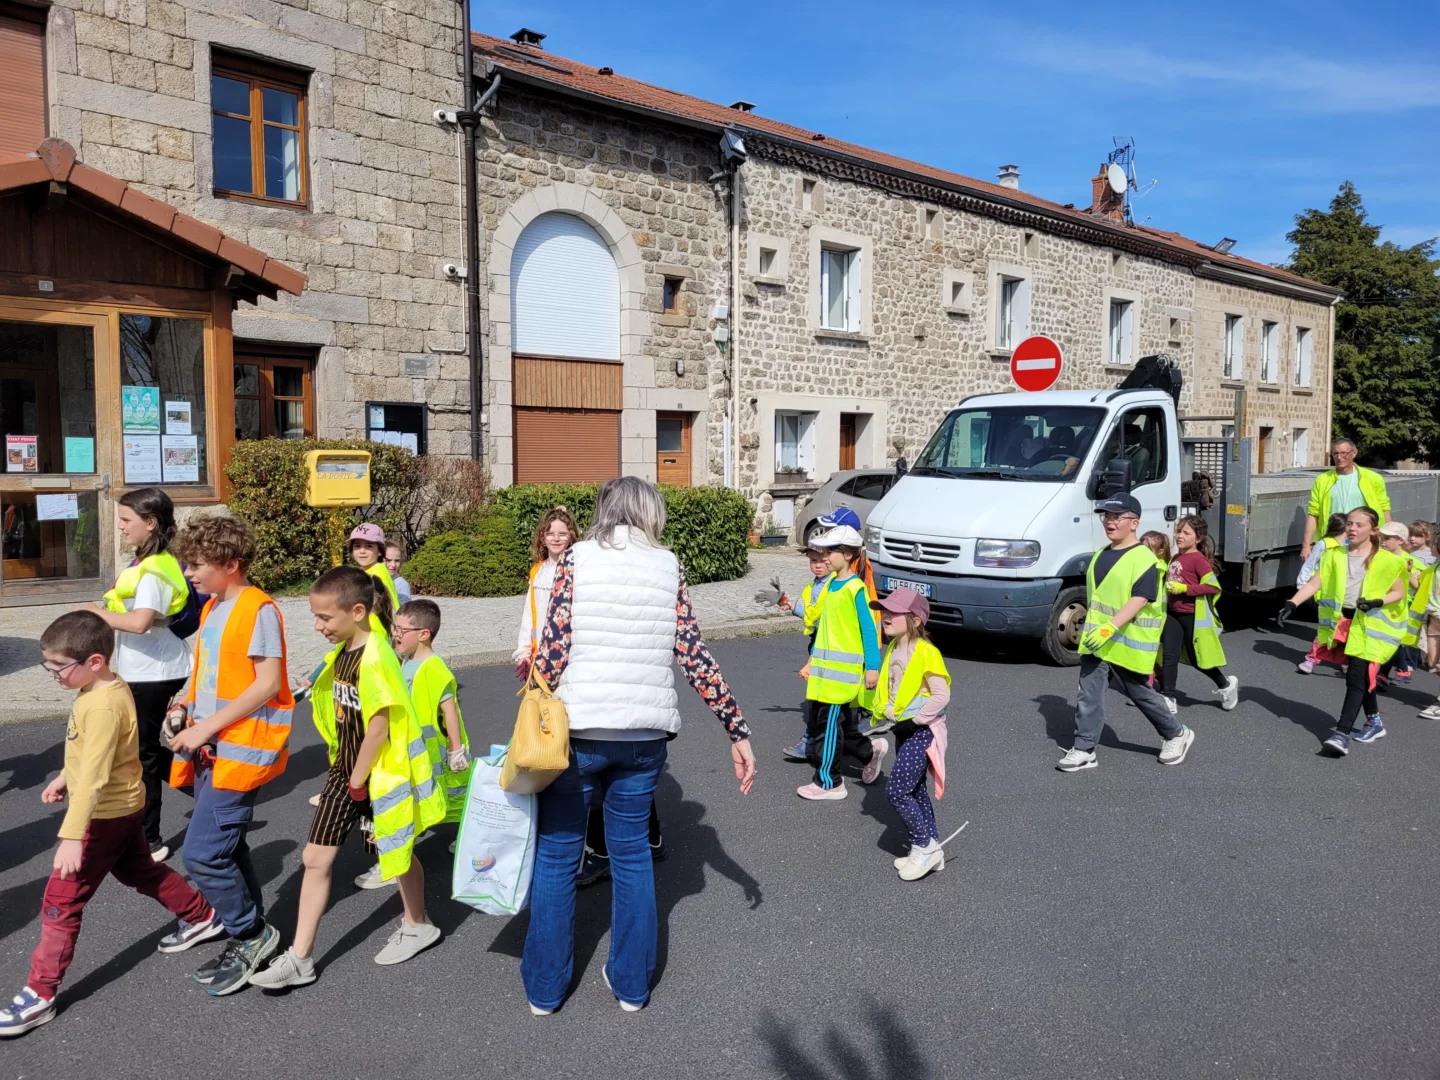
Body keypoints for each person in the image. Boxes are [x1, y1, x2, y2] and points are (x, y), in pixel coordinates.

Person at [523, 477, 755, 1015]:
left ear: (604, 510)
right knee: (631, 857)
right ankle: (631, 985)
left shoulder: (576, 559)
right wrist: (736, 729)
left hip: (577, 732)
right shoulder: (667, 565)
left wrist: (532, 698)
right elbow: (693, 654)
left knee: (557, 856)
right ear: (651, 513)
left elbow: (554, 645)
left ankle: (546, 990)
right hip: (645, 738)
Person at [0, 612, 213, 1038]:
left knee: (60, 903)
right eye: (48, 667)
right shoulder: (107, 689)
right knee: (141, 870)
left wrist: (72, 836)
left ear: (95, 661)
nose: (52, 676)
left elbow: (96, 774)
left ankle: (40, 995)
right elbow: (97, 754)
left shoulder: (99, 703)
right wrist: (65, 775)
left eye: (58, 667)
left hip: (103, 815)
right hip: (123, 806)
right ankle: (202, 915)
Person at [250, 567, 446, 989]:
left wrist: (356, 782)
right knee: (315, 859)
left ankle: (418, 924)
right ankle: (300, 958)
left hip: (376, 776)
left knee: (397, 853)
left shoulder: (374, 656)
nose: (318, 627)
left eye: (325, 618)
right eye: (316, 617)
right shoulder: (347, 646)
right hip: (349, 772)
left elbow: (378, 727)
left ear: (357, 611)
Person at [161, 514, 292, 995]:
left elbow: (268, 684)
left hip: (237, 752)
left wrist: (206, 729)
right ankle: (250, 935)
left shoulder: (258, 610)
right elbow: (210, 675)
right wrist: (181, 706)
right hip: (214, 748)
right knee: (226, 847)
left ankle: (253, 934)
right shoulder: (215, 606)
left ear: (231, 563)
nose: (189, 574)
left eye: (196, 565)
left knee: (201, 854)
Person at [90, 487, 193, 862]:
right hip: (145, 668)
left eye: (125, 520)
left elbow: (140, 622)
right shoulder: (144, 563)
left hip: (156, 671)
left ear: (150, 523)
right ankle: (206, 790)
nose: (120, 527)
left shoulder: (153, 570)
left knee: (142, 754)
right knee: (143, 748)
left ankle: (150, 840)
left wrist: (96, 615)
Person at [1057, 494, 1195, 773]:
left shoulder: (1144, 558)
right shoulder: (1101, 555)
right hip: (1097, 641)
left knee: (1140, 693)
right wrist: (1098, 629)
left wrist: (1110, 627)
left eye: (1116, 517)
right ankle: (1084, 749)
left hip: (1124, 641)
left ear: (1134, 523)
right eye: (1106, 516)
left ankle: (1177, 734)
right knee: (1089, 693)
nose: (1109, 521)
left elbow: (1140, 598)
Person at [349, 599, 471, 890]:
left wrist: (456, 750)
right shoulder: (403, 662)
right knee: (408, 809)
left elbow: (450, 710)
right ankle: (394, 861)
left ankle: (396, 863)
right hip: (410, 754)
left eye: (403, 630)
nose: (396, 635)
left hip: (432, 755)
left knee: (443, 803)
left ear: (424, 634)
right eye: (395, 628)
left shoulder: (434, 667)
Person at [1278, 507, 1407, 754]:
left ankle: (1341, 733)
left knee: (1355, 677)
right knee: (1362, 677)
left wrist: (1376, 602)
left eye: (1359, 524)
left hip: (1369, 626)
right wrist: (1292, 603)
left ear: (1374, 530)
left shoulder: (1389, 560)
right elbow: (1316, 582)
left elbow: (1398, 592)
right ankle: (1375, 721)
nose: (1352, 528)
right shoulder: (1334, 555)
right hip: (1344, 625)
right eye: (1349, 523)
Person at [798, 524, 885, 801]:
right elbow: (823, 629)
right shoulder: (832, 586)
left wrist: (873, 666)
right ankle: (870, 752)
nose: (824, 557)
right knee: (840, 726)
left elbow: (869, 630)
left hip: (841, 678)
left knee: (827, 727)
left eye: (830, 552)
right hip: (826, 675)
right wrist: (812, 662)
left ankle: (830, 782)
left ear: (847, 555)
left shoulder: (855, 588)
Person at [870, 588, 951, 882]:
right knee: (915, 790)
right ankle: (933, 848)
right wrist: (886, 713)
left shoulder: (926, 652)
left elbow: (941, 696)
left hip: (922, 731)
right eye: (885, 611)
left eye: (893, 612)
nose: (886, 616)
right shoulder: (893, 649)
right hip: (904, 729)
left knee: (896, 791)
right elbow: (894, 690)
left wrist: (916, 720)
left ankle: (924, 846)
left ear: (915, 619)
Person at [1158, 516, 1239, 712]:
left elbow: (1212, 587)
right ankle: (1169, 697)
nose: (1179, 536)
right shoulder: (1176, 558)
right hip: (1172, 614)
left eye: (1186, 533)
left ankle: (1226, 685)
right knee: (1169, 655)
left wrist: (1184, 588)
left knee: (1197, 659)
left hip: (1190, 615)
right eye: (1178, 531)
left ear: (1198, 538)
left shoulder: (1198, 560)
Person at [775, 545, 835, 762]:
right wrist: (790, 604)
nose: (817, 565)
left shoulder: (834, 585)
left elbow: (825, 620)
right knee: (820, 701)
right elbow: (812, 615)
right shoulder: (815, 585)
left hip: (827, 645)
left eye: (821, 560)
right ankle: (814, 741)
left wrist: (814, 655)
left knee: (820, 701)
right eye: (812, 561)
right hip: (818, 642)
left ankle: (812, 742)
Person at [513, 507, 578, 681]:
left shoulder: (577, 571)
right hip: (540, 657)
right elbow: (529, 617)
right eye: (550, 533)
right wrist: (523, 653)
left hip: (569, 658)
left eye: (562, 533)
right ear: (542, 537)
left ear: (571, 536)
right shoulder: (537, 572)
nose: (556, 538)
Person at [1301, 439, 1391, 560]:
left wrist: (1388, 539)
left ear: (1354, 453)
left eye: (1343, 453)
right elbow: (1313, 513)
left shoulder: (1373, 478)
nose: (1339, 457)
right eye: (1335, 454)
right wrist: (1306, 546)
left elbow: (1384, 509)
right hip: (1332, 539)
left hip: (1364, 539)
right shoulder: (1322, 480)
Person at [1296, 513, 1349, 674]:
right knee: (1325, 629)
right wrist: (1302, 584)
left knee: (1344, 630)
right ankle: (1312, 659)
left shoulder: (1350, 546)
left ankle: (1346, 661)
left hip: (1345, 596)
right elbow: (1310, 565)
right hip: (1326, 594)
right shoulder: (1324, 544)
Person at [348, 523, 397, 636]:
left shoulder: (375, 577)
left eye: (369, 546)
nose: (362, 551)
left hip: (376, 635)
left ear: (380, 551)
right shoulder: (372, 571)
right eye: (357, 546)